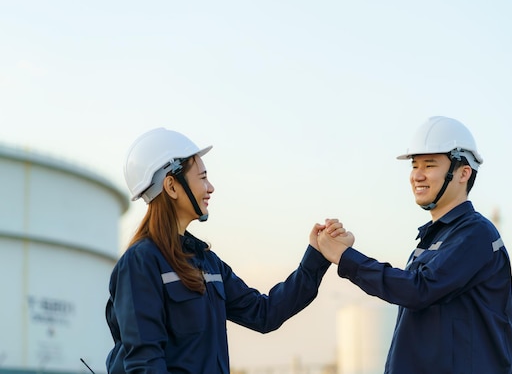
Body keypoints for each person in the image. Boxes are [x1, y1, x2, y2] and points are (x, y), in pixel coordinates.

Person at [105, 127, 351, 373]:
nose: (210, 187)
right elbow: (145, 365)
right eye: (202, 177)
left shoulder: (206, 263)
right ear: (171, 186)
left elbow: (264, 313)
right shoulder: (141, 263)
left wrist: (317, 255)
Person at [317, 116, 512, 373]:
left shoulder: (475, 234)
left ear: (463, 173)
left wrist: (346, 258)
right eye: (414, 166)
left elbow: (420, 290)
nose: (417, 176)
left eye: (429, 165)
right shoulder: (432, 240)